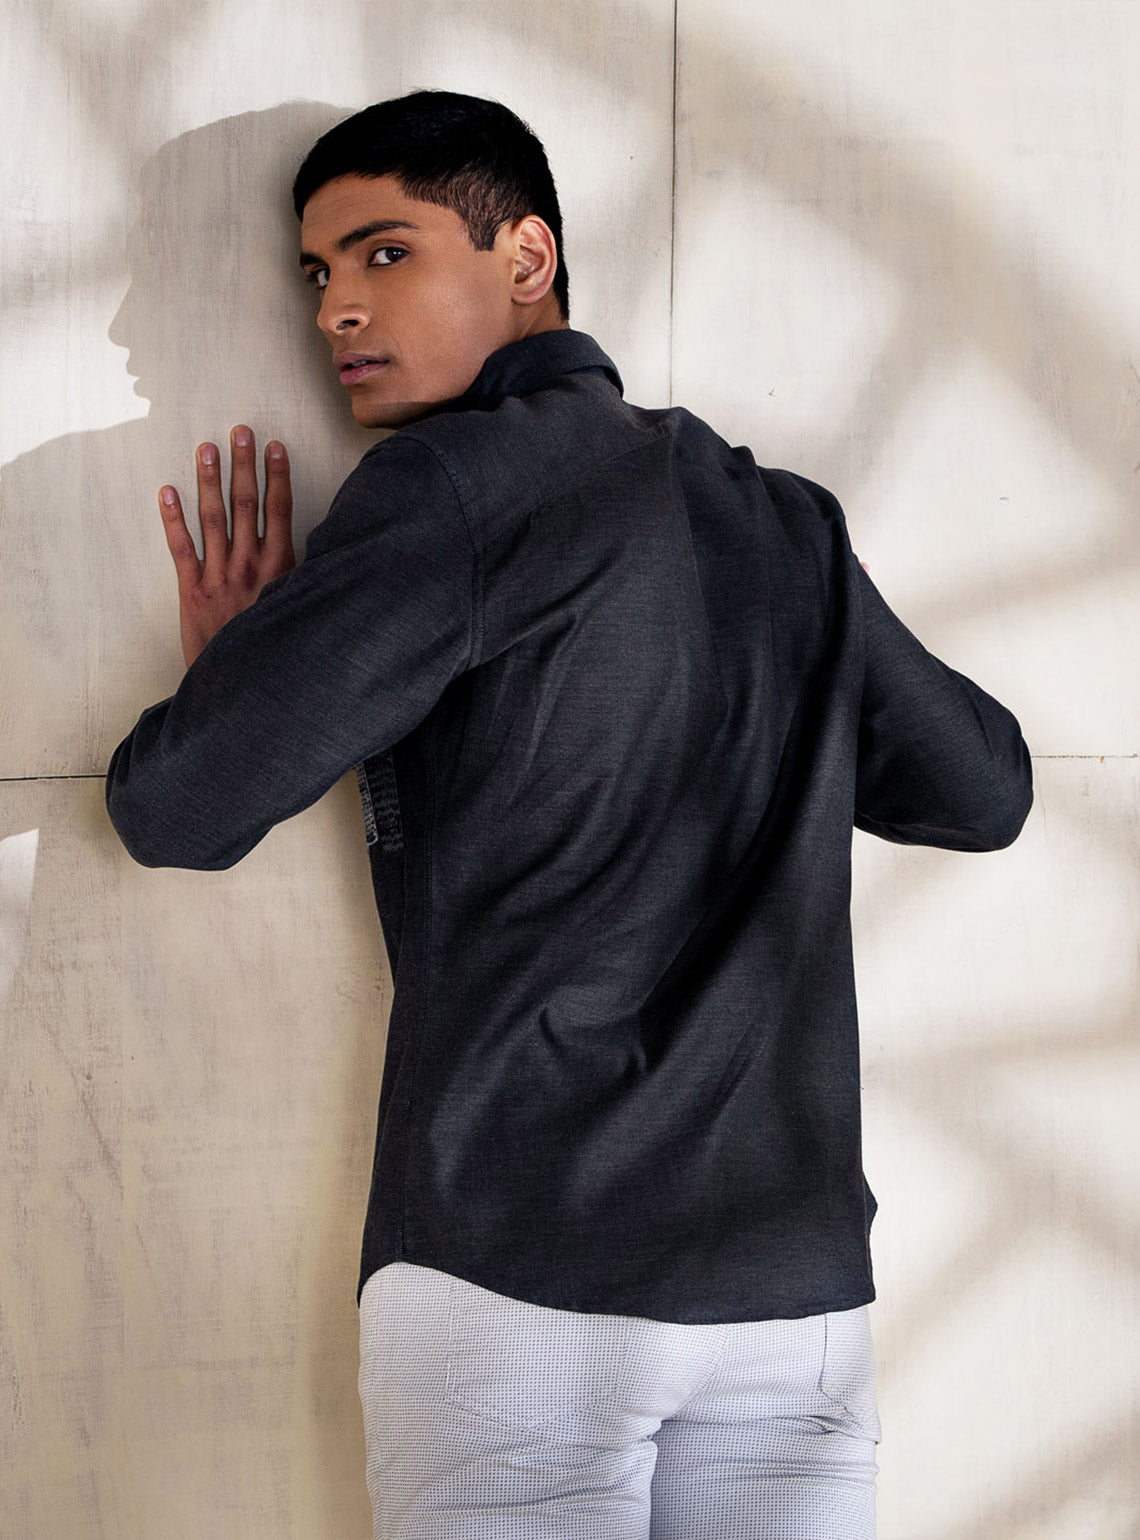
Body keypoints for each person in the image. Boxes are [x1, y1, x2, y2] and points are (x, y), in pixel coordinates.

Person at [104, 89, 1034, 1540]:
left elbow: (176, 807)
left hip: (525, 1273)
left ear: (526, 256)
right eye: (317, 272)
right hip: (790, 1302)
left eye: (386, 253)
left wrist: (241, 678)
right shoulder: (782, 523)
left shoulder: (455, 486)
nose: (337, 307)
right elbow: (986, 792)